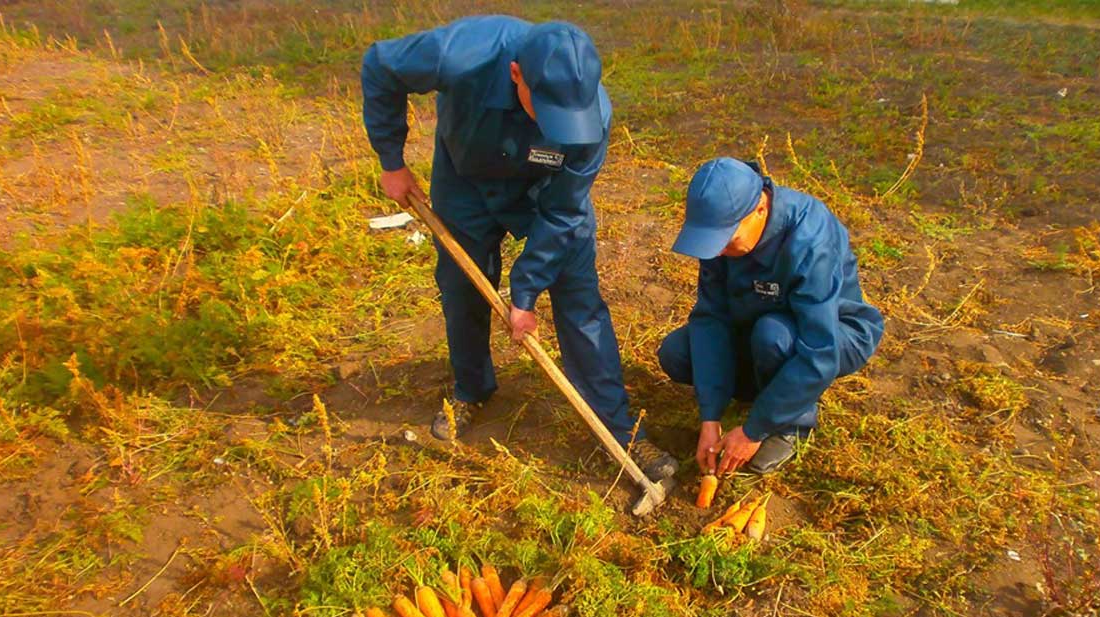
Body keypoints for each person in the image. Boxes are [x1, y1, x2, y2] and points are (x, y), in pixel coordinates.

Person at [361, 16, 676, 480]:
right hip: (466, 180)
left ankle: (619, 430)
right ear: (515, 75)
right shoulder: (460, 54)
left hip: (545, 194)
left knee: (579, 299)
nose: (559, 126)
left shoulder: (593, 121)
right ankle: (471, 390)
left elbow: (565, 213)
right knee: (461, 287)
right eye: (546, 110)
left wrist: (524, 294)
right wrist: (391, 161)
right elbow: (380, 65)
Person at [658, 158, 884, 475]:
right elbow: (711, 318)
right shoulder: (722, 236)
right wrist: (710, 416)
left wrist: (754, 430)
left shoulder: (809, 239)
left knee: (772, 335)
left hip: (832, 335)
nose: (718, 252)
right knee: (678, 353)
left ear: (760, 209)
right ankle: (769, 394)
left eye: (726, 241)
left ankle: (791, 424)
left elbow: (819, 348)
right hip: (758, 321)